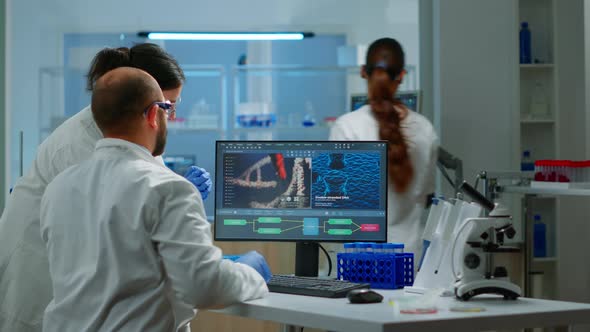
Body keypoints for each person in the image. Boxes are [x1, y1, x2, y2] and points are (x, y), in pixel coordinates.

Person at [40, 67, 270, 331]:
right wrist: (250, 271)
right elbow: (203, 286)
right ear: (152, 114)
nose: (169, 117)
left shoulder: (59, 186)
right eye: (166, 108)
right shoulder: (169, 188)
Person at [0, 43, 211, 331]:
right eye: (168, 107)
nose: (169, 118)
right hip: (38, 285)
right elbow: (119, 231)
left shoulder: (129, 128)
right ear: (143, 100)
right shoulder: (79, 145)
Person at [329, 37, 439, 259]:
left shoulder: (346, 128)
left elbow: (335, 203)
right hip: (407, 262)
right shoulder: (425, 130)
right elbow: (427, 198)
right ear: (401, 75)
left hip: (357, 262)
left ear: (363, 72)